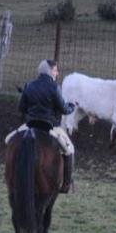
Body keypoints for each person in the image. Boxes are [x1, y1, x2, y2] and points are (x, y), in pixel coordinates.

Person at [15, 58, 76, 193]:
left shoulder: (29, 85)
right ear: (49, 72)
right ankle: (66, 184)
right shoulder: (55, 87)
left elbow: (22, 108)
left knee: (9, 140)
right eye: (55, 70)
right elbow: (64, 109)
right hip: (51, 127)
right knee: (70, 149)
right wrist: (72, 106)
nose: (57, 73)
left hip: (30, 125)